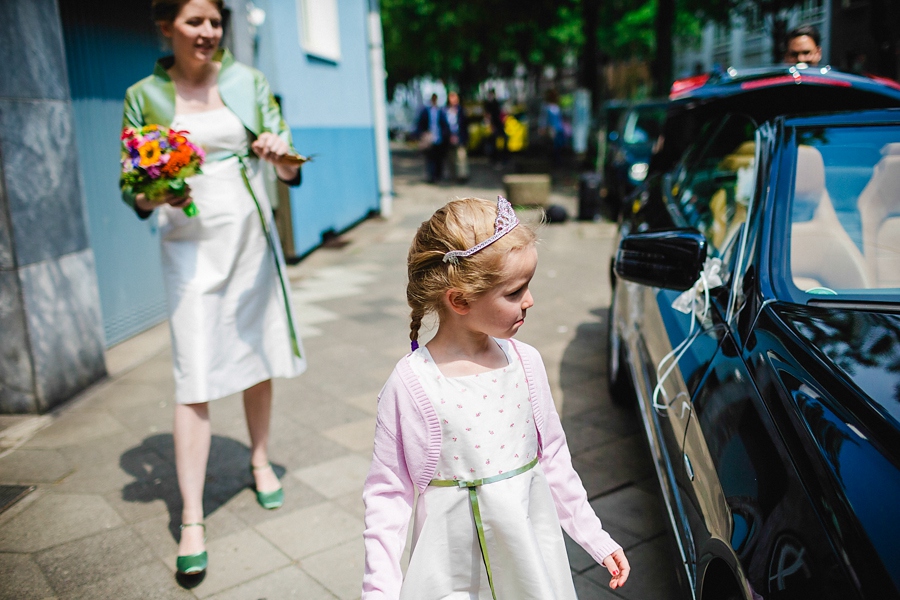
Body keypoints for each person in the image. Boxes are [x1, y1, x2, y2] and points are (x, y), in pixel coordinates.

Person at [119, 0, 306, 578]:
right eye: (194, 21)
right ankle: (192, 517)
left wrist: (277, 154)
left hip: (249, 236)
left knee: (255, 350)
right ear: (166, 26)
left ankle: (259, 461)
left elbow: (292, 167)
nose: (207, 32)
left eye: (215, 21)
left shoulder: (249, 81)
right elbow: (133, 191)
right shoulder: (142, 96)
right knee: (193, 371)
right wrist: (160, 193)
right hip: (188, 245)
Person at [362, 197, 630, 598]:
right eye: (515, 291)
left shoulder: (526, 363)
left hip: (531, 563)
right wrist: (379, 590)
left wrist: (594, 536)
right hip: (451, 573)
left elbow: (553, 459)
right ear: (460, 300)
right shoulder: (412, 384)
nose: (530, 300)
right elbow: (388, 496)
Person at [416, 93, 451, 183]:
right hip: (429, 139)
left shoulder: (441, 111)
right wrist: (421, 134)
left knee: (439, 158)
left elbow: (445, 125)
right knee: (430, 158)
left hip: (439, 138)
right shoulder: (426, 111)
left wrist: (445, 135)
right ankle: (431, 176)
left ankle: (438, 175)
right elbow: (420, 124)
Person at [540, 88, 567, 167]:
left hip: (559, 129)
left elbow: (561, 118)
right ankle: (554, 162)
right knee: (553, 146)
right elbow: (543, 118)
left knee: (559, 146)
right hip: (552, 129)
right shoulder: (546, 107)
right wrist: (542, 127)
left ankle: (558, 162)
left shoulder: (557, 106)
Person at [483, 88, 507, 166]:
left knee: (498, 142)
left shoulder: (494, 103)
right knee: (494, 143)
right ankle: (496, 159)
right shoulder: (491, 104)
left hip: (497, 125)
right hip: (495, 126)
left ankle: (499, 158)